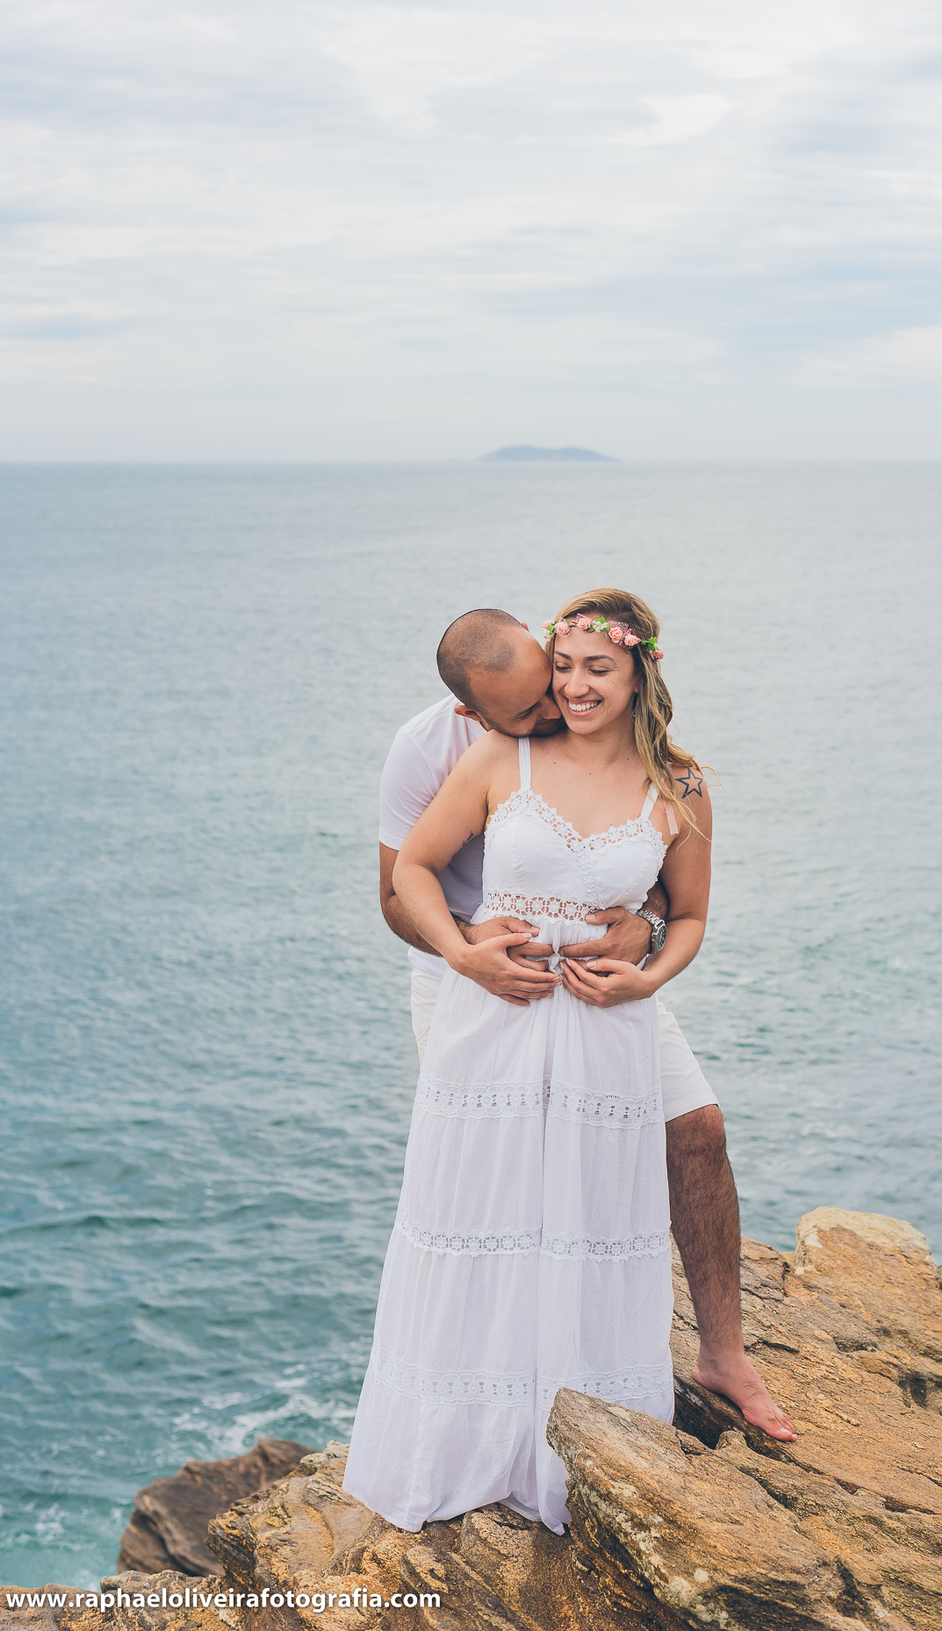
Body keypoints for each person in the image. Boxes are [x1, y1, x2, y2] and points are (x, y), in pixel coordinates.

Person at [343, 591, 792, 1534]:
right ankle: (470, 1417)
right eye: (552, 686)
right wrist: (465, 949)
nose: (565, 697)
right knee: (489, 1196)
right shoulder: (459, 751)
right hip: (476, 986)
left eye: (591, 672)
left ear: (637, 672)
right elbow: (400, 885)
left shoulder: (677, 781)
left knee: (658, 1156)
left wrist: (649, 953)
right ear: (480, 712)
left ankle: (707, 1360)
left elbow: (687, 909)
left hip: (606, 1010)